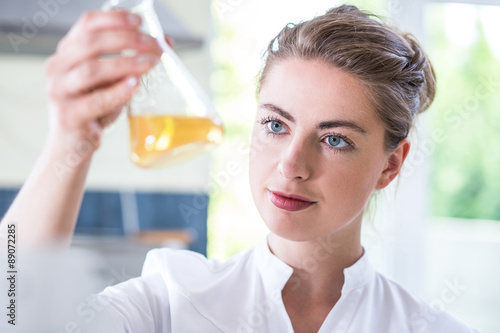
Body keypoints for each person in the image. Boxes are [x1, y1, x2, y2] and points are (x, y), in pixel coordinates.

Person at [0, 4, 478, 333]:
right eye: (275, 125)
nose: (292, 164)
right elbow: (15, 308)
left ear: (390, 166)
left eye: (335, 139)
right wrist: (71, 140)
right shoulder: (171, 300)